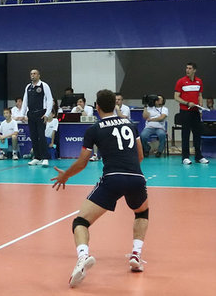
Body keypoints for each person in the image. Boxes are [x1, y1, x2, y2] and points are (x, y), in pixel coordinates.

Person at [51, 89, 149, 288]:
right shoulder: (131, 125)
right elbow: (140, 156)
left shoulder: (94, 129)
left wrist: (65, 176)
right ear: (115, 105)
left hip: (112, 179)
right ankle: (136, 255)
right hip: (136, 178)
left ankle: (82, 257)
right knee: (141, 213)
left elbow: (82, 162)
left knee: (80, 221)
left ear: (96, 106)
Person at [174, 62, 209, 165]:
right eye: (186, 68)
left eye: (189, 68)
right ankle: (185, 157)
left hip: (196, 112)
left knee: (197, 134)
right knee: (185, 134)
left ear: (194, 70)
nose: (187, 70)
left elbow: (200, 95)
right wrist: (187, 103)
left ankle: (199, 156)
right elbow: (176, 97)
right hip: (185, 111)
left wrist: (200, 106)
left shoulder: (199, 81)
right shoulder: (181, 81)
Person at [20, 69, 54, 167]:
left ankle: (45, 158)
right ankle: (37, 157)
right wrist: (23, 114)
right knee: (33, 136)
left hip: (41, 114)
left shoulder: (44, 86)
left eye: (34, 74)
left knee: (41, 136)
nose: (32, 75)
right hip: (31, 114)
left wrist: (47, 114)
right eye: (31, 74)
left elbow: (49, 100)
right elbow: (25, 101)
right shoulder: (28, 87)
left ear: (39, 75)